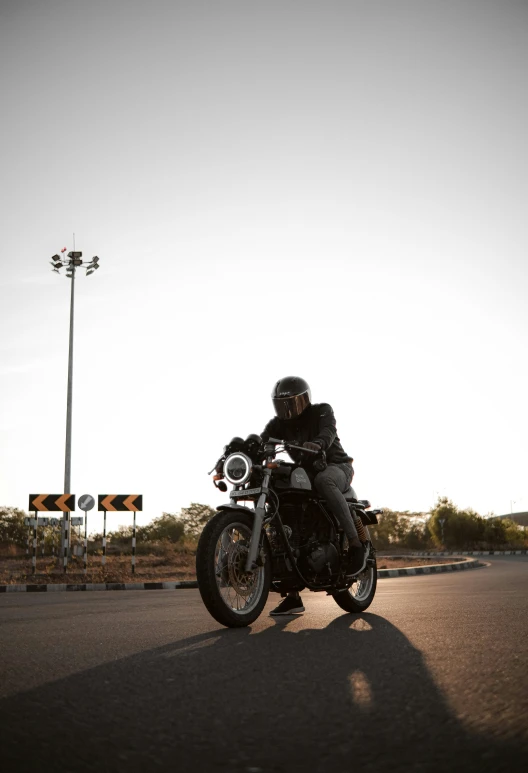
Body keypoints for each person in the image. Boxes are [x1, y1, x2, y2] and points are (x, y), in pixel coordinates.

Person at [261, 376, 366, 616]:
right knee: (281, 504)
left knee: (323, 480)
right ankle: (292, 594)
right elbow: (261, 440)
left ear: (305, 400)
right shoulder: (277, 425)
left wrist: (317, 443)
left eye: (293, 403)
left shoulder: (321, 411)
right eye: (282, 404)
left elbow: (329, 431)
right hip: (306, 471)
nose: (288, 410)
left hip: (336, 466)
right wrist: (239, 451)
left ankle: (355, 544)